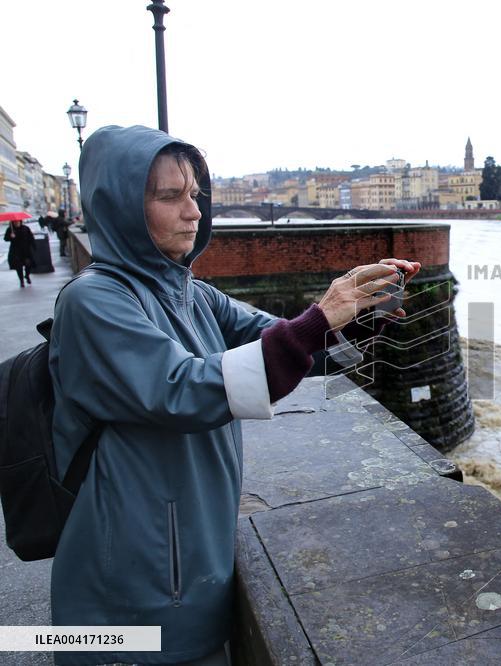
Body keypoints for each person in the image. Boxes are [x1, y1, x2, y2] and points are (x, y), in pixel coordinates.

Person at [48, 125, 420, 666]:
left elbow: (284, 342)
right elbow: (185, 391)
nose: (194, 212)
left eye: (195, 194)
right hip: (130, 575)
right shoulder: (93, 301)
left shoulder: (191, 294)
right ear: (121, 207)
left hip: (187, 552)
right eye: (170, 197)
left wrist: (354, 314)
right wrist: (321, 316)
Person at [5, 218, 36, 287]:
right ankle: (21, 281)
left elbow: (31, 238)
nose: (17, 223)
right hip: (16, 252)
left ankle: (27, 275)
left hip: (26, 251)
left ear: (20, 222)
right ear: (13, 223)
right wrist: (11, 236)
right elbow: (6, 238)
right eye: (15, 222)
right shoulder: (10, 230)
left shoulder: (26, 228)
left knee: (29, 265)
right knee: (18, 267)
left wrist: (34, 247)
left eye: (18, 222)